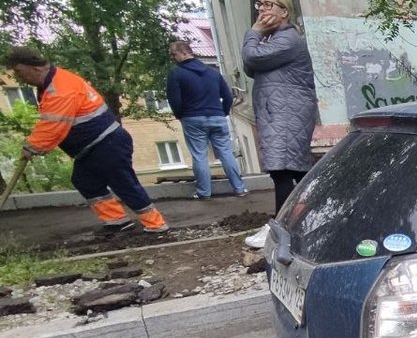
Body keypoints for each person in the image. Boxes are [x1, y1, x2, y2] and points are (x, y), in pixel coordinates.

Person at [5, 46, 168, 233]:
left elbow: (53, 125)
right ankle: (117, 221)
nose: (19, 77)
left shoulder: (60, 89)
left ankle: (156, 224)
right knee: (85, 180)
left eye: (19, 71)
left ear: (34, 67)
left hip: (106, 143)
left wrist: (33, 146)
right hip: (94, 146)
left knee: (123, 183)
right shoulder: (52, 83)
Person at [241, 0, 317, 249]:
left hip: (287, 112)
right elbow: (249, 66)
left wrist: (253, 31)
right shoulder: (272, 40)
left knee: (284, 170)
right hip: (279, 112)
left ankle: (278, 230)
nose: (262, 10)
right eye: (259, 5)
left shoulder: (288, 40)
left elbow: (251, 57)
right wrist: (258, 36)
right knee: (293, 171)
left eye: (268, 5)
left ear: (284, 11)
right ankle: (309, 219)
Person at [166, 40, 247, 200]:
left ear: (183, 53)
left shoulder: (176, 73)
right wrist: (222, 113)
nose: (173, 58)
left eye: (174, 54)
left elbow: (174, 100)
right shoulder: (213, 72)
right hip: (217, 117)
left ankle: (204, 192)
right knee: (226, 152)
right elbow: (228, 96)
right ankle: (240, 188)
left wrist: (180, 115)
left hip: (192, 118)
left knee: (199, 155)